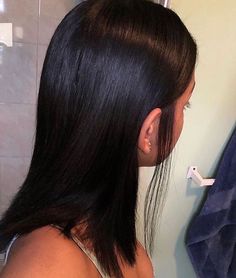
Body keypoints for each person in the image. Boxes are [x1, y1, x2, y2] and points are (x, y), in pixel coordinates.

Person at [0, 0, 197, 277]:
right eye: (185, 105)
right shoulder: (49, 266)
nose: (183, 118)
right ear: (150, 130)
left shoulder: (109, 235)